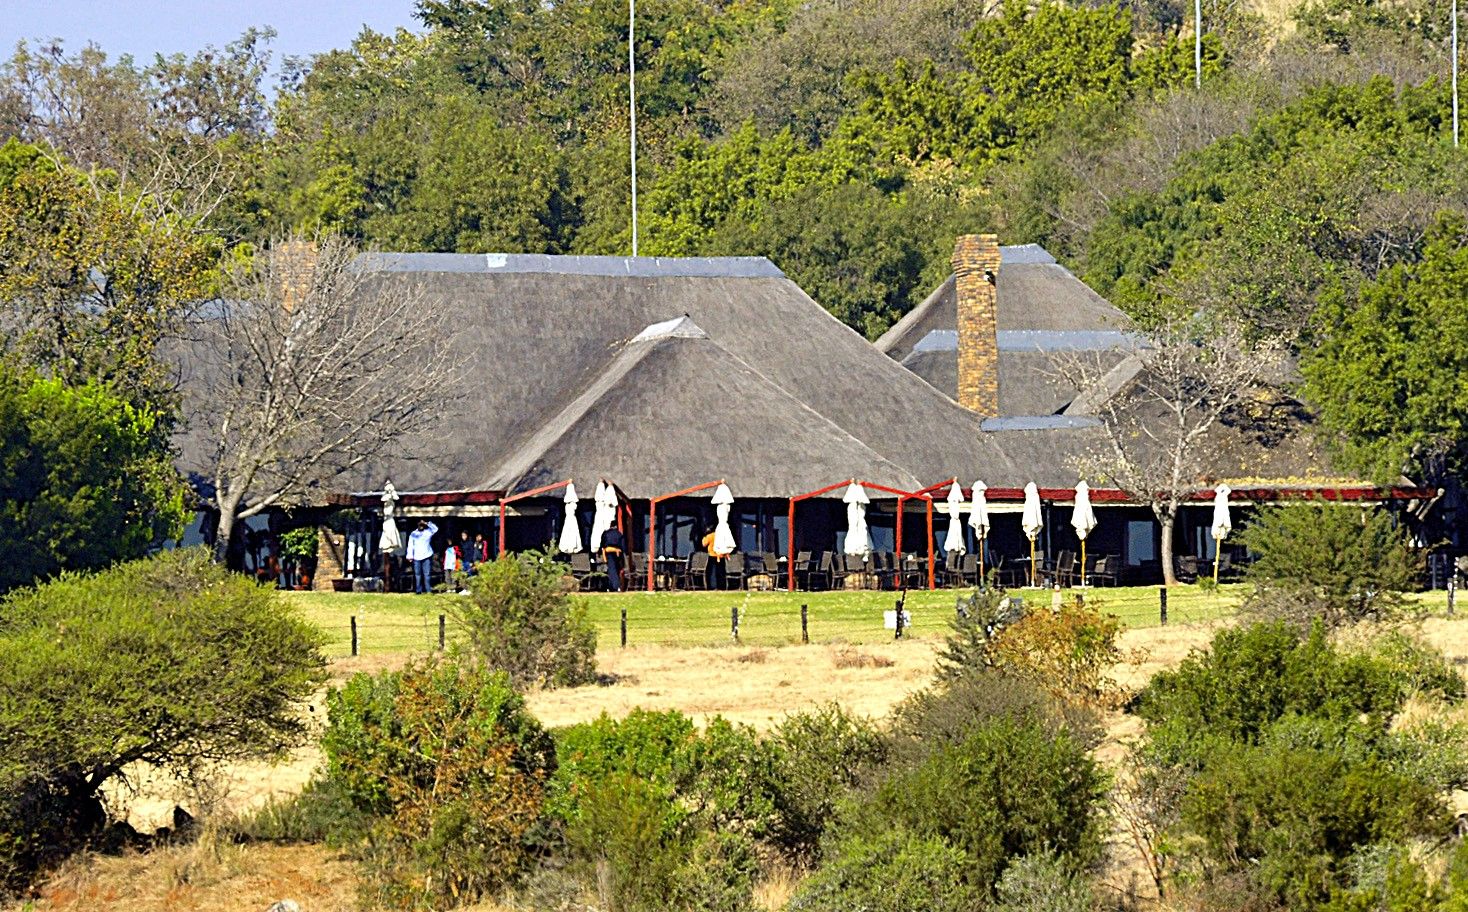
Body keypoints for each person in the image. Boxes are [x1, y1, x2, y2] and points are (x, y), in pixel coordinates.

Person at [406, 520, 438, 594]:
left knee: (427, 574)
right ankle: (418, 591)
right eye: (420, 525)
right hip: (416, 557)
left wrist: (427, 523)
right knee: (418, 575)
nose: (421, 526)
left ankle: (428, 591)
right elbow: (410, 545)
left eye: (422, 525)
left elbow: (435, 529)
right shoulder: (413, 534)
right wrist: (410, 556)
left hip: (427, 556)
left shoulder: (428, 532)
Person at [601, 525, 626, 592]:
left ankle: (612, 586)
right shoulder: (619, 534)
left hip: (608, 551)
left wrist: (604, 556)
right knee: (616, 569)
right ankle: (615, 586)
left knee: (611, 569)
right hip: (617, 552)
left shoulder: (606, 533)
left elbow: (603, 545)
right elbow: (623, 546)